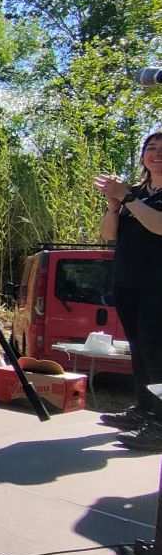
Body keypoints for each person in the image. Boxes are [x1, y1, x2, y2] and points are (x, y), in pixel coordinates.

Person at [96, 132, 162, 451]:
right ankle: (144, 411)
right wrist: (113, 206)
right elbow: (109, 235)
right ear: (143, 156)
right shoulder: (134, 193)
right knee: (138, 349)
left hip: (157, 286)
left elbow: (159, 226)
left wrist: (128, 199)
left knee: (156, 353)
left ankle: (160, 425)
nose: (156, 154)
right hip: (128, 282)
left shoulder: (133, 197)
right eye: (151, 148)